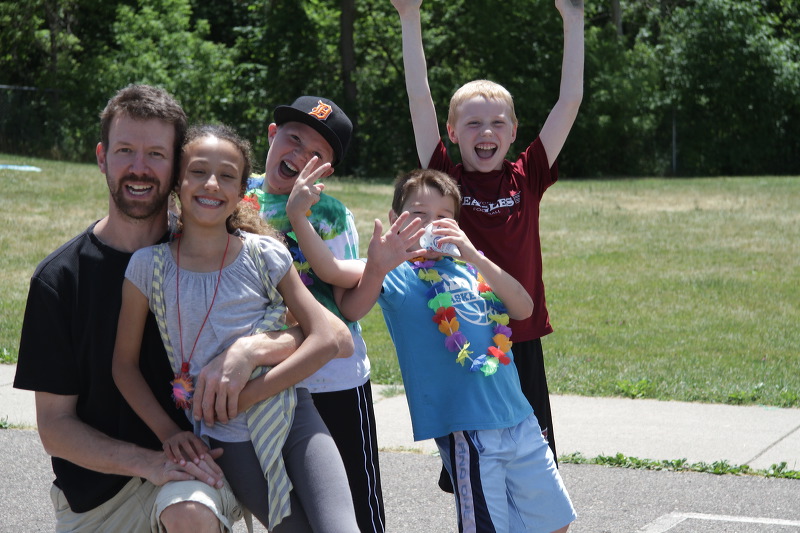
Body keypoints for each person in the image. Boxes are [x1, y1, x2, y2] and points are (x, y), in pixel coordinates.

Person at [13, 84, 352, 532]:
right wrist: (154, 457)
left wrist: (249, 351)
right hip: (101, 497)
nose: (139, 167)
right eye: (125, 151)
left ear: (174, 167)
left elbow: (324, 332)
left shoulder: (233, 248)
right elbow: (55, 427)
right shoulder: (63, 279)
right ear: (102, 157)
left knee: (192, 512)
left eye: (155, 154)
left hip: (204, 468)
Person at [113, 122, 359, 532]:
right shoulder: (148, 267)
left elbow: (330, 338)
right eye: (198, 172)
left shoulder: (265, 254)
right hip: (227, 436)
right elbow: (123, 365)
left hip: (294, 416)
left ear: (242, 188)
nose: (211, 184)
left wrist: (249, 390)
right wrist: (168, 432)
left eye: (227, 176)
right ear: (177, 182)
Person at [391, 0, 585, 481]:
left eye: (498, 123)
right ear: (453, 132)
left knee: (535, 468)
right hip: (468, 339)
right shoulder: (446, 176)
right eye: (473, 123)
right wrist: (409, 17)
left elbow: (569, 102)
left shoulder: (529, 174)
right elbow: (419, 100)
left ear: (514, 131)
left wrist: (573, 17)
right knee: (474, 472)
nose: (486, 132)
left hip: (522, 337)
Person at [336, 168, 576, 533]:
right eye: (419, 214)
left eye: (443, 217)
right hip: (470, 429)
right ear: (395, 218)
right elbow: (350, 303)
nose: (430, 224)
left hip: (519, 417)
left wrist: (475, 257)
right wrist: (377, 265)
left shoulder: (471, 271)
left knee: (555, 522)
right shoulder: (397, 274)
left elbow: (523, 307)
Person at [245, 96, 386, 533]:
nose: (299, 154)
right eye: (293, 138)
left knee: (355, 509)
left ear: (327, 170)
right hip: (266, 379)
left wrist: (376, 269)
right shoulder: (234, 195)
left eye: (316, 153)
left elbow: (347, 305)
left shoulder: (331, 215)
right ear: (272, 135)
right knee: (289, 510)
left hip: (333, 382)